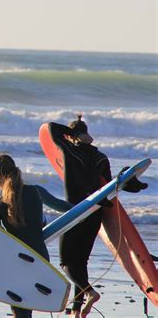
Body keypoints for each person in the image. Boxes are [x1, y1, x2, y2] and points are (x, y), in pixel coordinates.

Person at [48, 115, 147, 317]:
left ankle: (89, 292)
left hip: (75, 211)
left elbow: (50, 128)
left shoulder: (69, 150)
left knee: (67, 261)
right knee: (81, 262)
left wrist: (74, 135)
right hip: (95, 214)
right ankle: (76, 310)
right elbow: (108, 188)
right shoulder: (102, 158)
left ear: (72, 136)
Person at [0, 153, 73, 318]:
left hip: (16, 260)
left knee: (19, 308)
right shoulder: (36, 191)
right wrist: (91, 205)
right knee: (27, 305)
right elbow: (63, 207)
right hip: (40, 257)